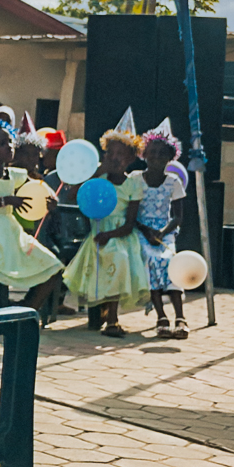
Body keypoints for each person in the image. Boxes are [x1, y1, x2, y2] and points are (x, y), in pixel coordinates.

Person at [0, 120, 63, 315]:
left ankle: (27, 310)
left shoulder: (17, 174)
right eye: (2, 144)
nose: (9, 146)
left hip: (10, 232)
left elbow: (41, 188)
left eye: (10, 142)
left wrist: (52, 200)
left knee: (53, 268)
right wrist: (6, 200)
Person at [63, 126, 147, 335]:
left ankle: (112, 319)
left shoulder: (132, 185)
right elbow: (72, 195)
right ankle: (100, 309)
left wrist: (110, 235)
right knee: (98, 255)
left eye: (121, 154)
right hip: (97, 233)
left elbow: (130, 223)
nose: (115, 158)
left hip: (120, 236)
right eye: (111, 153)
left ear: (130, 159)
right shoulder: (99, 179)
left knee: (118, 257)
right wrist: (98, 172)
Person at [135, 128, 188, 339]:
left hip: (165, 231)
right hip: (142, 231)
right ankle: (161, 316)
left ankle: (180, 317)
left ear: (170, 158)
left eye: (162, 153)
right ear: (144, 154)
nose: (156, 157)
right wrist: (147, 231)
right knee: (149, 260)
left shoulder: (173, 182)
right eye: (152, 152)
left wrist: (162, 232)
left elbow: (178, 217)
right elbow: (130, 213)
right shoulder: (136, 179)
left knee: (171, 262)